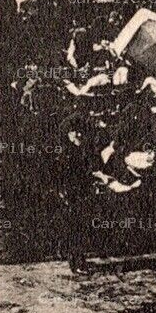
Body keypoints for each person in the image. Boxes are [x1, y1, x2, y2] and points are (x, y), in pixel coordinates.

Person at [60, 113, 93, 273]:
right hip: (72, 194)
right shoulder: (67, 153)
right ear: (69, 134)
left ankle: (77, 259)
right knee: (75, 228)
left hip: (81, 193)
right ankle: (77, 261)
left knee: (79, 227)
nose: (78, 134)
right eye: (74, 132)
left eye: (79, 131)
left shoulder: (81, 149)